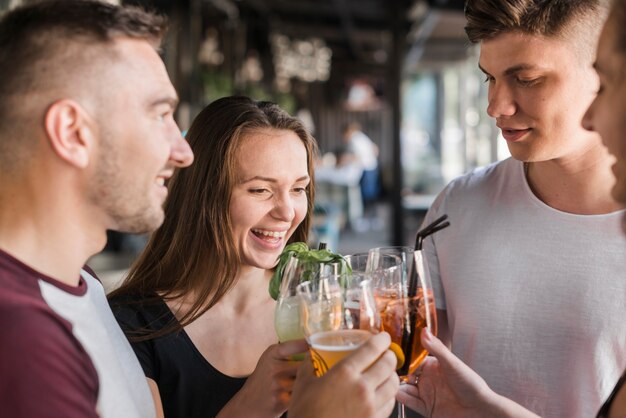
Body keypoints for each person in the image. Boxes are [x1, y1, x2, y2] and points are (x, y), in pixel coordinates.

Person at [0, 2, 398, 418]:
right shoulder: (21, 335)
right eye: (159, 114)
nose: (182, 150)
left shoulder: (85, 289)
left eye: (299, 188)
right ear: (72, 132)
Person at [108, 96, 399, 418]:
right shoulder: (130, 324)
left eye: (298, 189)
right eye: (260, 190)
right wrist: (252, 406)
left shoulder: (329, 308)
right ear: (201, 195)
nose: (287, 212)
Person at [419, 0, 626, 417]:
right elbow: (420, 371)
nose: (496, 106)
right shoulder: (455, 207)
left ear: (602, 75)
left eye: (527, 79)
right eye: (489, 79)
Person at [342, 121, 380, 229]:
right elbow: (375, 149)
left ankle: (366, 220)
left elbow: (356, 156)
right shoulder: (361, 137)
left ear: (348, 132)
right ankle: (373, 219)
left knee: (366, 195)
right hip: (372, 167)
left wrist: (344, 161)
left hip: (366, 168)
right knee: (371, 194)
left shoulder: (354, 139)